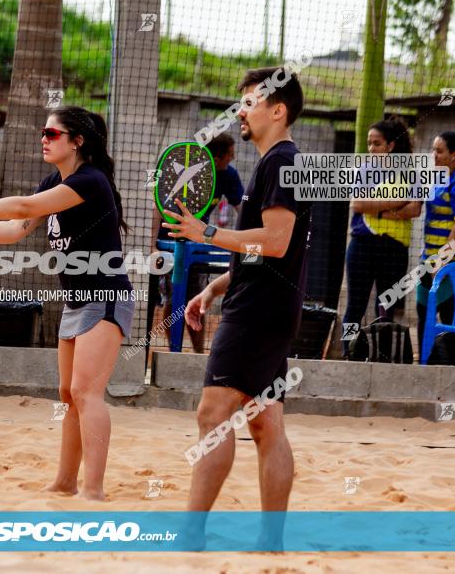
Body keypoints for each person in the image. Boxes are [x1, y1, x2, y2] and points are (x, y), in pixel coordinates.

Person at [0, 106, 133, 501]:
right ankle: (66, 482)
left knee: (86, 393)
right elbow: (17, 228)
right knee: (68, 393)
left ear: (77, 141)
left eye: (51, 133)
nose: (43, 138)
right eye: (43, 132)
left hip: (106, 297)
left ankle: (95, 490)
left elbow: (22, 207)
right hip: (77, 300)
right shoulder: (55, 179)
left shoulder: (91, 181)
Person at [164, 66, 310, 548]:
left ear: (278, 109)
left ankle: (192, 534)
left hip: (258, 314)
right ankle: (271, 541)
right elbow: (270, 254)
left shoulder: (281, 162)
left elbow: (274, 241)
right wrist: (215, 289)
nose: (240, 111)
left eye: (249, 101)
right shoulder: (276, 163)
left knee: (213, 413)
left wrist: (206, 232)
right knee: (267, 424)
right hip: (267, 305)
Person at [156, 133, 244, 353]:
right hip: (171, 239)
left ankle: (198, 354)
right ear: (215, 158)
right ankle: (173, 350)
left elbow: (241, 209)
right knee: (174, 296)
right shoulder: (189, 171)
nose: (232, 159)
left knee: (197, 295)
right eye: (229, 155)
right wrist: (152, 244)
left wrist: (246, 239)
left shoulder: (229, 176)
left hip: (198, 242)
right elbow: (159, 206)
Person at [342, 117, 419, 355]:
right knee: (355, 305)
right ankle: (348, 352)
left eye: (377, 143)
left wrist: (379, 209)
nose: (371, 148)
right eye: (369, 143)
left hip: (394, 248)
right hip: (362, 245)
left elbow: (414, 209)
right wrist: (395, 205)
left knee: (387, 304)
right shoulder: (362, 170)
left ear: (390, 146)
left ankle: (382, 355)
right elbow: (358, 204)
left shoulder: (411, 172)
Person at [410, 131, 455, 352]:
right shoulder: (437, 176)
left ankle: (450, 366)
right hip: (429, 259)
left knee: (448, 319)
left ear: (454, 154)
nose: (434, 155)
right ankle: (426, 364)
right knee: (424, 312)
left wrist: (441, 260)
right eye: (433, 150)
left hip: (454, 261)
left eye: (439, 151)